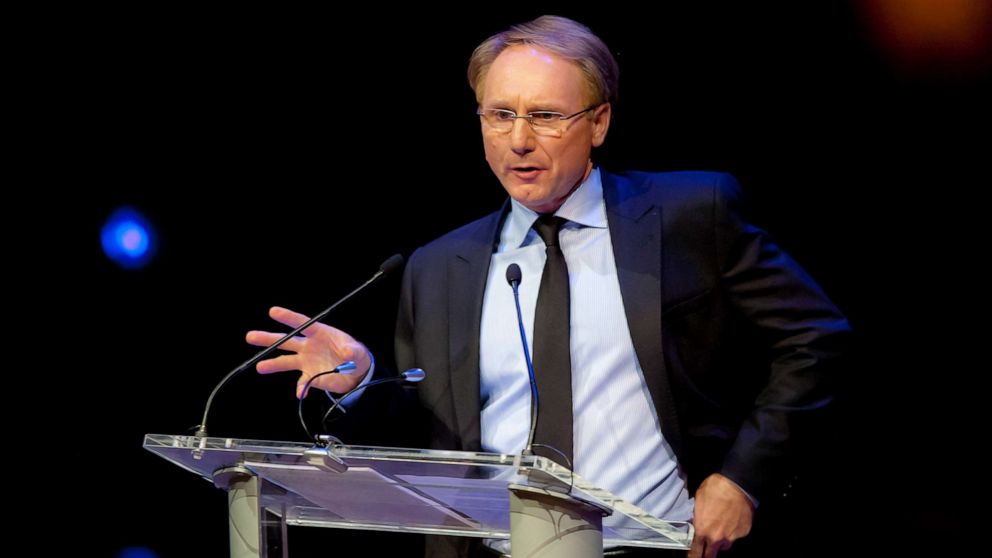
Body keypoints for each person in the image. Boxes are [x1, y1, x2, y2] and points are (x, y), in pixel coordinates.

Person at [246, 15, 850, 558]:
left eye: (546, 115)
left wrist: (743, 477)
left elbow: (816, 340)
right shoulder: (438, 265)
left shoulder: (691, 215)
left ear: (600, 122)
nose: (519, 140)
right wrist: (359, 382)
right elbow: (433, 432)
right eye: (500, 114)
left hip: (657, 546)